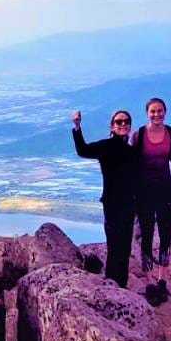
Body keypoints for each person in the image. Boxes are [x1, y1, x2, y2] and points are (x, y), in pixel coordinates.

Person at [71, 107, 137, 288]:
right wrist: (77, 126)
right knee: (115, 244)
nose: (123, 124)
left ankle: (121, 284)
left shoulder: (132, 152)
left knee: (125, 246)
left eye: (126, 122)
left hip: (129, 203)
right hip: (112, 202)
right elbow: (83, 150)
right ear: (112, 126)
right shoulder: (106, 146)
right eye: (119, 122)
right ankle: (112, 282)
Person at [131, 97, 171, 306]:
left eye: (160, 111)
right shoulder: (138, 135)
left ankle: (162, 280)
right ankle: (149, 283)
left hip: (165, 189)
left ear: (165, 112)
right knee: (147, 234)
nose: (156, 114)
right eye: (152, 111)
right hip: (144, 191)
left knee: (166, 233)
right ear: (147, 112)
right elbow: (130, 162)